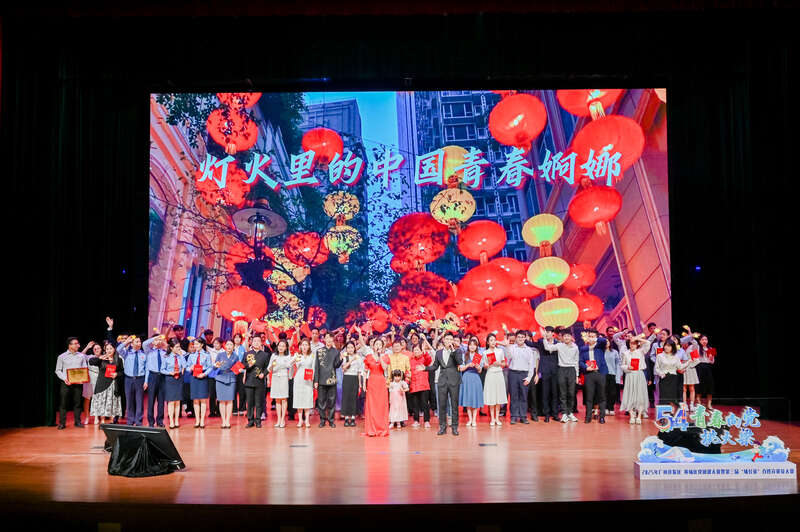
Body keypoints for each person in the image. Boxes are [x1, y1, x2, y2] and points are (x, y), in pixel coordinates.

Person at [422, 332, 463, 436]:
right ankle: (442, 427)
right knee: (442, 405)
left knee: (454, 405)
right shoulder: (439, 353)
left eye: (451, 339)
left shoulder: (457, 351)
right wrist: (425, 368)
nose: (449, 341)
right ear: (443, 340)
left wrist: (453, 350)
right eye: (447, 339)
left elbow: (459, 362)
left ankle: (454, 427)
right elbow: (435, 366)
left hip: (454, 381)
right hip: (442, 381)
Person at [543, 329, 580, 423]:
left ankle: (570, 413)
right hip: (561, 370)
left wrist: (577, 375)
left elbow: (576, 361)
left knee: (571, 393)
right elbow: (548, 348)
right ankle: (564, 413)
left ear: (571, 337)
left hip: (571, 370)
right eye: (565, 336)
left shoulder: (575, 347)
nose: (566, 337)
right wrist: (544, 337)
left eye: (568, 336)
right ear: (562, 338)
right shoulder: (559, 345)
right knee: (562, 393)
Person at [616, 330, 651, 424]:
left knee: (640, 395)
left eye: (634, 343)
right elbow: (622, 365)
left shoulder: (641, 351)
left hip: (639, 375)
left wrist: (637, 338)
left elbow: (648, 343)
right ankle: (632, 415)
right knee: (630, 395)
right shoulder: (626, 353)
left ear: (637, 344)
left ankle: (639, 416)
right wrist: (628, 367)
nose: (632, 345)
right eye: (631, 343)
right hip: (630, 375)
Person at [55, 337, 91, 429]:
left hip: (78, 383)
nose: (78, 345)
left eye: (78, 343)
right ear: (70, 345)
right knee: (63, 403)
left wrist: (83, 378)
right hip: (66, 383)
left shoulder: (81, 356)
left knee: (78, 403)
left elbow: (84, 369)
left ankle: (77, 422)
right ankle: (62, 423)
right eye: (76, 343)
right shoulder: (62, 357)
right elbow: (58, 370)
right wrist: (65, 379)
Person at [506, 331, 538, 425]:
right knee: (513, 395)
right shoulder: (512, 348)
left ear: (525, 338)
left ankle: (523, 416)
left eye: (522, 337)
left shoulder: (529, 350)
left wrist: (529, 378)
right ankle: (514, 416)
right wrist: (507, 347)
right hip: (513, 373)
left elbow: (531, 365)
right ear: (516, 338)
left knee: (523, 396)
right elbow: (508, 357)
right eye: (519, 337)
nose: (520, 339)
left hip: (524, 374)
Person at [88, 342, 124, 423]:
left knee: (112, 403)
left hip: (113, 384)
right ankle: (102, 420)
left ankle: (112, 421)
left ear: (114, 349)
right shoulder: (102, 359)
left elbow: (122, 371)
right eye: (107, 349)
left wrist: (116, 374)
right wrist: (100, 358)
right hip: (102, 384)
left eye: (111, 348)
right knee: (102, 403)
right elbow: (91, 361)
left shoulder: (118, 359)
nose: (109, 350)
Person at [578, 329, 608, 424]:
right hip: (589, 374)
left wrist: (595, 339)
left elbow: (604, 340)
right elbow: (580, 361)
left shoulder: (600, 346)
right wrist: (586, 367)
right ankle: (588, 417)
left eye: (592, 336)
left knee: (601, 396)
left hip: (600, 373)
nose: (590, 338)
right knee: (589, 396)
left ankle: (602, 416)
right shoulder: (583, 349)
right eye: (589, 336)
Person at [117, 335, 148, 426]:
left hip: (140, 379)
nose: (139, 343)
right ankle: (130, 421)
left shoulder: (144, 354)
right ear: (132, 344)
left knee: (139, 401)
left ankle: (138, 421)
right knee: (129, 401)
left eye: (140, 342)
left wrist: (146, 381)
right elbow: (118, 349)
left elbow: (146, 369)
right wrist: (126, 341)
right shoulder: (127, 353)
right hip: (128, 379)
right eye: (137, 342)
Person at [314, 332, 342, 428]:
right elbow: (316, 367)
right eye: (327, 337)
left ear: (333, 339)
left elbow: (336, 365)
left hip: (332, 379)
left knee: (331, 401)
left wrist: (341, 359)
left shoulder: (336, 352)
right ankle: (322, 420)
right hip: (321, 380)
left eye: (330, 337)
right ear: (324, 339)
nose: (329, 339)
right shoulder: (319, 351)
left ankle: (331, 420)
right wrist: (316, 380)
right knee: (321, 402)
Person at [363, 338, 390, 437]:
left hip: (381, 381)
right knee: (372, 405)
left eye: (380, 344)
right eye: (376, 344)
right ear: (373, 346)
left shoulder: (385, 357)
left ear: (382, 347)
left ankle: (382, 428)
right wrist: (364, 384)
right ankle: (372, 429)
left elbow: (385, 368)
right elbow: (365, 372)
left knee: (381, 405)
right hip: (372, 381)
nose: (378, 346)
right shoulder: (368, 357)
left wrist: (380, 357)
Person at [243, 335, 269, 428]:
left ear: (261, 343)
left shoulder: (265, 355)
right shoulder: (247, 354)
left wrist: (264, 374)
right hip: (249, 381)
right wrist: (248, 365)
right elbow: (242, 365)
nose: (257, 343)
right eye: (255, 341)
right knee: (250, 403)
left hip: (260, 381)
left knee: (259, 402)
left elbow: (268, 367)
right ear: (251, 343)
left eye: (258, 341)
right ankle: (250, 421)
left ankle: (258, 420)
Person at [482, 333, 507, 426]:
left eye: (494, 340)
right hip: (490, 374)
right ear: (488, 342)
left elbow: (504, 364)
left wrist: (499, 364)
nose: (493, 342)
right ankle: (492, 418)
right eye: (491, 340)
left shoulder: (500, 351)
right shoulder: (485, 352)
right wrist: (488, 365)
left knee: (498, 397)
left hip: (499, 374)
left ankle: (497, 418)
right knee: (492, 396)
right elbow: (484, 366)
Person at [187, 338, 213, 428]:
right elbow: (187, 367)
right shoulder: (191, 355)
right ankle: (197, 420)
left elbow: (210, 367)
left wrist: (204, 374)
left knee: (203, 399)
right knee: (195, 400)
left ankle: (202, 420)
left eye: (197, 344)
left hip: (203, 377)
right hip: (194, 377)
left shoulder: (207, 355)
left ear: (202, 345)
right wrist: (190, 368)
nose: (195, 346)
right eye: (194, 344)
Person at [142, 333, 168, 427]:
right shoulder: (149, 351)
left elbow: (170, 348)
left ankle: (160, 421)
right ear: (153, 342)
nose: (158, 341)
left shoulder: (165, 352)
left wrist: (163, 341)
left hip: (162, 377)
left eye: (159, 340)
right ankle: (151, 421)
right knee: (151, 400)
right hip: (152, 376)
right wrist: (155, 338)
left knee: (161, 401)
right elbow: (144, 343)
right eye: (156, 340)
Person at [655, 339, 687, 410]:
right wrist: (661, 374)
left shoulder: (676, 356)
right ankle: (664, 413)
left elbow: (680, 367)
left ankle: (672, 412)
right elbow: (656, 368)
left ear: (672, 347)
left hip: (673, 378)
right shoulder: (659, 356)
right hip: (664, 378)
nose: (666, 347)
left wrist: (690, 361)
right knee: (663, 397)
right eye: (665, 345)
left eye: (669, 346)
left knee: (672, 397)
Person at [459, 336, 484, 427]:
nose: (472, 346)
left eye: (474, 345)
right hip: (466, 377)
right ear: (468, 346)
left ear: (477, 346)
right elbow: (461, 369)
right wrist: (468, 365)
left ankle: (474, 419)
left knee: (475, 398)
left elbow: (480, 371)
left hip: (475, 377)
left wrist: (478, 367)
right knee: (468, 398)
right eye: (470, 345)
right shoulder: (464, 355)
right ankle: (470, 419)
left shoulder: (478, 356)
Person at [213, 339, 238, 429]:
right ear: (225, 346)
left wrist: (238, 370)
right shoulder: (220, 355)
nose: (229, 346)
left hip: (231, 379)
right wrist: (216, 366)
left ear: (233, 346)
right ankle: (223, 420)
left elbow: (237, 368)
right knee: (221, 400)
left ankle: (227, 421)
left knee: (230, 400)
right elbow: (214, 367)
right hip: (220, 378)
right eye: (227, 344)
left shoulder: (235, 356)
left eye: (231, 345)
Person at [162, 338, 187, 429]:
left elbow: (185, 366)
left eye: (179, 347)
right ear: (171, 348)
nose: (178, 349)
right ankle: (171, 421)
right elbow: (162, 369)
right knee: (171, 401)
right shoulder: (166, 357)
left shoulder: (180, 356)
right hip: (170, 379)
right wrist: (170, 373)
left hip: (179, 379)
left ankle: (176, 420)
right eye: (176, 347)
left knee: (177, 401)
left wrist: (181, 356)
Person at [535, 327, 558, 422]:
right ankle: (546, 414)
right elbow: (531, 344)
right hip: (545, 371)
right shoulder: (541, 342)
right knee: (545, 394)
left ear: (552, 333)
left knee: (555, 394)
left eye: (548, 332)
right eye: (545, 332)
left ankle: (555, 414)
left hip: (555, 371)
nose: (546, 334)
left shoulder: (558, 343)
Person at [269, 339, 294, 428]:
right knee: (277, 399)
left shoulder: (288, 356)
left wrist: (290, 377)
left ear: (286, 347)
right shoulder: (273, 356)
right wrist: (272, 366)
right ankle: (278, 419)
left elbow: (290, 367)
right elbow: (269, 368)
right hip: (275, 378)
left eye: (283, 346)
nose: (281, 347)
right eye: (279, 345)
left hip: (284, 378)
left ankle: (283, 419)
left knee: (284, 399)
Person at [292, 338, 316, 427]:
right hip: (299, 378)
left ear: (309, 346)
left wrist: (313, 378)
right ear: (300, 346)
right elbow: (291, 364)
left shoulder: (312, 355)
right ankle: (300, 420)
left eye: (306, 345)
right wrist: (295, 360)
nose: (304, 347)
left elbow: (313, 367)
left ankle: (307, 420)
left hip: (308, 379)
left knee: (307, 399)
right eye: (303, 345)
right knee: (299, 399)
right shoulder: (297, 355)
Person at [408, 342, 433, 428]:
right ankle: (416, 420)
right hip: (414, 385)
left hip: (423, 385)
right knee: (415, 405)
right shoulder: (410, 360)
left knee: (425, 404)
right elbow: (408, 370)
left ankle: (426, 421)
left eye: (418, 350)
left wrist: (425, 352)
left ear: (421, 351)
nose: (416, 351)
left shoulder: (424, 358)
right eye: (414, 350)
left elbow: (429, 360)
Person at [339, 340, 362, 428]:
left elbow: (359, 372)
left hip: (355, 378)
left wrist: (360, 384)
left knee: (353, 398)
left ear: (354, 348)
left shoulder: (358, 358)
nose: (350, 349)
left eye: (352, 347)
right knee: (346, 398)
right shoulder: (345, 357)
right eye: (348, 348)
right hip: (347, 378)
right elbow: (344, 368)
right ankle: (346, 418)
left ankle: (352, 418)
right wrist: (351, 359)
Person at [694, 332, 716, 410]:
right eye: (702, 339)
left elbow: (712, 362)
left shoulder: (711, 349)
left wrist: (711, 358)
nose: (704, 341)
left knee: (709, 386)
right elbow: (694, 358)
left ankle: (709, 405)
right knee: (699, 386)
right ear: (700, 341)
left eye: (706, 339)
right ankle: (699, 404)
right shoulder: (697, 348)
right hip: (699, 367)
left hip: (708, 368)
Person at [603, 331, 622, 416]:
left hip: (612, 374)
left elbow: (618, 364)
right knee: (604, 392)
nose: (606, 343)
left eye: (607, 341)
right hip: (603, 374)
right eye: (604, 341)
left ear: (610, 342)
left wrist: (618, 375)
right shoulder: (600, 352)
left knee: (613, 393)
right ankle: (606, 408)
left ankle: (611, 408)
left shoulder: (614, 352)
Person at [83, 341, 101, 425]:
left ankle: (96, 417)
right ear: (93, 350)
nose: (97, 350)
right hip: (89, 380)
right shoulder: (90, 357)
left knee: (97, 399)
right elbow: (80, 356)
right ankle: (87, 417)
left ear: (101, 349)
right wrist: (87, 347)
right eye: (95, 349)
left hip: (99, 379)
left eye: (98, 348)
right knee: (87, 399)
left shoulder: (104, 357)